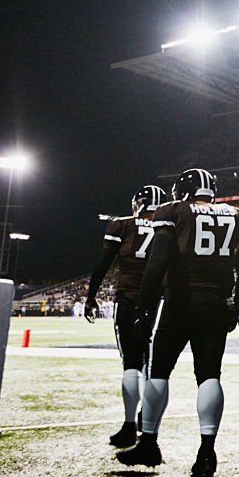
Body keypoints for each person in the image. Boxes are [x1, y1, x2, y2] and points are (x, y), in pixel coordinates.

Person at [116, 168, 239, 477]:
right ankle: (207, 452)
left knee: (159, 371)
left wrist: (142, 306)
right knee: (209, 375)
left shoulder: (173, 210)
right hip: (218, 303)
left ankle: (148, 442)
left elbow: (158, 261)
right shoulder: (238, 216)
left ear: (183, 190)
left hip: (179, 301)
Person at [84, 184, 166, 448]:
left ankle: (129, 425)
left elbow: (104, 262)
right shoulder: (169, 225)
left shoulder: (122, 225)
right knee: (154, 367)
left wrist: (91, 296)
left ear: (137, 203)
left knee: (131, 363)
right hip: (159, 301)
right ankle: (149, 425)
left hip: (129, 299)